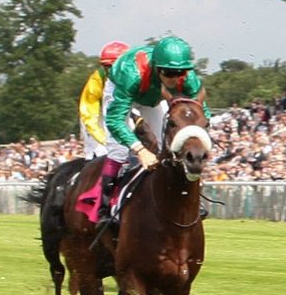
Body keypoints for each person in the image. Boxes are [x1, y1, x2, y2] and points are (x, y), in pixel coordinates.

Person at [97, 36, 206, 223]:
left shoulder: (188, 79)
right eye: (170, 73)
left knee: (168, 146)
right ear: (156, 67)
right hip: (122, 91)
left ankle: (186, 196)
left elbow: (201, 113)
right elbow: (115, 121)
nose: (175, 78)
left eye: (180, 73)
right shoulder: (131, 74)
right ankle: (104, 207)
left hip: (152, 97)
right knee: (120, 150)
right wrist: (139, 150)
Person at [78, 41, 133, 159]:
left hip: (124, 111)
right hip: (97, 119)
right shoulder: (96, 80)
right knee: (104, 151)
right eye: (107, 67)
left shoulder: (136, 75)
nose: (111, 71)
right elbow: (89, 116)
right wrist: (105, 140)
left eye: (114, 67)